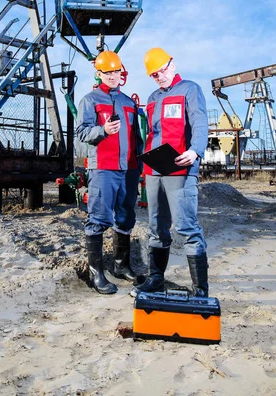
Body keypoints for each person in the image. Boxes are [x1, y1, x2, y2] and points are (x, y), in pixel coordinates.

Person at [134, 47, 209, 297]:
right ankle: (156, 278)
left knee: (187, 227)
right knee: (156, 226)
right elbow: (151, 133)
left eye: (162, 70)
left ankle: (200, 289)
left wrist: (196, 150)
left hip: (181, 168)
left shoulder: (190, 89)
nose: (159, 76)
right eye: (154, 74)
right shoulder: (153, 97)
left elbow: (199, 122)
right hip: (155, 170)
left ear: (172, 64)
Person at [76, 51, 143, 295]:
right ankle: (96, 273)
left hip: (130, 169)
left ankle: (120, 265)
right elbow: (82, 133)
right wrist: (102, 130)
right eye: (108, 72)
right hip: (103, 168)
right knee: (99, 218)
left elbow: (138, 136)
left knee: (125, 216)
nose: (113, 76)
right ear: (100, 73)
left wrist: (141, 163)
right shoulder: (90, 100)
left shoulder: (129, 102)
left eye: (117, 71)